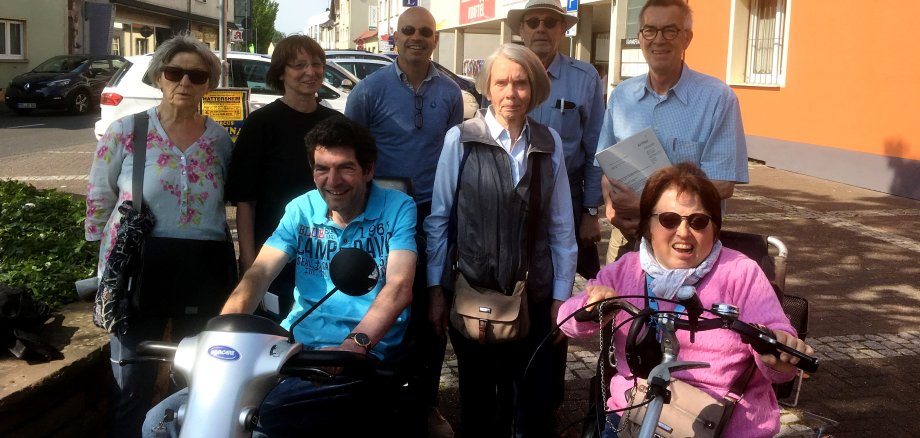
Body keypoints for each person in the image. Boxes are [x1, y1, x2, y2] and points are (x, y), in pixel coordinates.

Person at [142, 116, 418, 437]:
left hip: (358, 356)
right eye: (321, 168)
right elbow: (259, 273)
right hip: (291, 351)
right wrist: (221, 333)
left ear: (368, 170)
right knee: (161, 421)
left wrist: (355, 344)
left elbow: (399, 286)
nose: (332, 180)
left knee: (260, 423)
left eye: (345, 168)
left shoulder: (398, 208)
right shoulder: (301, 208)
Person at [558, 163, 813, 437]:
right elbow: (566, 321)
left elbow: (780, 357)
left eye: (698, 221)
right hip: (632, 415)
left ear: (714, 228)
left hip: (724, 424)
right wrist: (593, 306)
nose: (683, 232)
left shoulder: (740, 272)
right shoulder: (626, 270)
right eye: (669, 219)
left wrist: (779, 355)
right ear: (648, 226)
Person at [425, 43, 577, 438]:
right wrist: (436, 291)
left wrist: (561, 296)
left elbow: (561, 227)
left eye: (521, 83)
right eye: (502, 83)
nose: (511, 92)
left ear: (535, 88)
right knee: (477, 405)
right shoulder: (460, 139)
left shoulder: (550, 142)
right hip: (474, 295)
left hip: (535, 298)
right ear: (487, 89)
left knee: (527, 406)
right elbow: (440, 221)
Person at [84, 34, 233, 438]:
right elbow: (99, 202)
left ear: (208, 85)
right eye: (175, 73)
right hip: (138, 270)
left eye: (197, 76)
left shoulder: (220, 140)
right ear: (159, 78)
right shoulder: (124, 132)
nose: (185, 82)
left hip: (200, 272)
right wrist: (106, 274)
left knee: (196, 382)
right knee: (131, 379)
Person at [345, 6, 464, 436]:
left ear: (436, 38)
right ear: (395, 37)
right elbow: (352, 156)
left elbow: (454, 156)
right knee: (383, 308)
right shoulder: (368, 91)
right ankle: (380, 399)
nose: (417, 37)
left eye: (425, 32)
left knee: (433, 313)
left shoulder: (451, 94)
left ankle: (425, 403)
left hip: (434, 217)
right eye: (408, 31)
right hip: (381, 219)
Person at [508, 0, 607, 413]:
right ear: (523, 29)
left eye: (551, 22)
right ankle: (511, 392)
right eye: (533, 22)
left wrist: (590, 211)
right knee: (512, 295)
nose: (541, 29)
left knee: (557, 298)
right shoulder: (508, 73)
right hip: (513, 215)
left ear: (563, 29)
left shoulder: (585, 79)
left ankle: (545, 400)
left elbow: (597, 149)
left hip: (563, 215)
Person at [599, 0, 748, 263]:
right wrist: (611, 209)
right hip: (627, 237)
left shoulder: (718, 99)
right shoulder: (622, 96)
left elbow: (723, 185)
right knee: (618, 302)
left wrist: (648, 207)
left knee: (680, 306)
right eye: (650, 30)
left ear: (687, 39)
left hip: (687, 243)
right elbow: (606, 167)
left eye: (670, 30)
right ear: (640, 37)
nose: (659, 39)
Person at [225, 35, 340, 321]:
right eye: (299, 65)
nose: (310, 72)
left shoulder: (337, 125)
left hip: (326, 253)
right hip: (274, 256)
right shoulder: (261, 124)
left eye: (317, 64)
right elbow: (245, 201)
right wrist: (249, 265)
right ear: (280, 73)